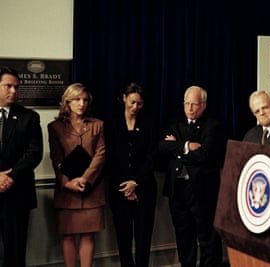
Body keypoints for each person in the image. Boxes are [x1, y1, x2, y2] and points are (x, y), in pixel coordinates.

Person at [158, 85, 225, 267]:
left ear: (203, 105)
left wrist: (177, 148)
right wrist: (186, 146)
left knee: (207, 234)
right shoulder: (174, 123)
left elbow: (206, 154)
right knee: (183, 233)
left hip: (202, 188)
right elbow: (162, 147)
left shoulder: (212, 126)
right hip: (177, 187)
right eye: (186, 103)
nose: (189, 108)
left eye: (194, 104)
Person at [48, 83, 106, 267]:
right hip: (67, 191)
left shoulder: (97, 124)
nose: (82, 103)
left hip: (91, 190)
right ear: (67, 101)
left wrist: (85, 179)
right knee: (68, 235)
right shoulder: (55, 127)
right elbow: (55, 157)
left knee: (88, 235)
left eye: (85, 100)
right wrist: (66, 183)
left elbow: (101, 154)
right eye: (77, 99)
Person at [104, 82, 157, 267]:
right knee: (123, 237)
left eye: (140, 103)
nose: (136, 107)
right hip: (119, 189)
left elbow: (152, 157)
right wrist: (126, 185)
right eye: (133, 102)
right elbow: (109, 157)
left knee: (143, 238)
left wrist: (136, 182)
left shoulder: (149, 123)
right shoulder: (111, 123)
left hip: (145, 188)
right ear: (124, 98)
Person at [0, 66, 43, 267]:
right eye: (8, 86)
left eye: (16, 87)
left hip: (17, 192)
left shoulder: (29, 117)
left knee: (15, 250)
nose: (14, 91)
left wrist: (11, 177)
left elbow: (34, 153)